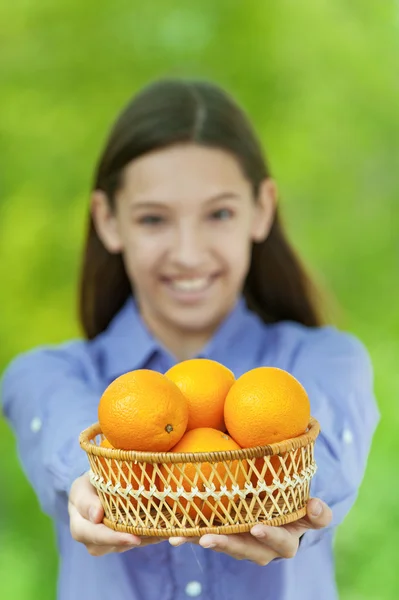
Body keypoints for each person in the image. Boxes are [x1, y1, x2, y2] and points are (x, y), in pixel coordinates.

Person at [1, 78, 379, 600]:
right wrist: (93, 484)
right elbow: (64, 426)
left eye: (218, 214)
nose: (188, 253)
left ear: (262, 209)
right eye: (154, 219)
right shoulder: (49, 374)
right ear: (109, 222)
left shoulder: (325, 359)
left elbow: (327, 456)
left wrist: (295, 498)